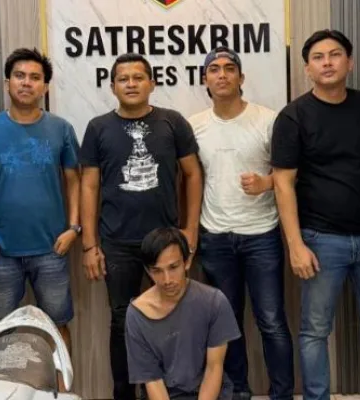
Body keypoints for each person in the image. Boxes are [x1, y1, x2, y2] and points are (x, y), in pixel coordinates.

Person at [270, 30, 360, 399]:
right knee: (315, 331)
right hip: (320, 240)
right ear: (307, 68)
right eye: (318, 57)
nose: (327, 62)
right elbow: (283, 183)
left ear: (350, 62)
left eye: (335, 54)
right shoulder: (293, 117)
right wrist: (295, 245)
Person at [80, 53, 203, 400]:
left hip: (165, 241)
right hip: (117, 242)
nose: (131, 84)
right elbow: (89, 186)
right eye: (123, 79)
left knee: (170, 318)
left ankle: (167, 393)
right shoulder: (98, 127)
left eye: (138, 77)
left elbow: (193, 174)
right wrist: (90, 245)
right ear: (112, 86)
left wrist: (190, 230)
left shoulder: (172, 122)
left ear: (152, 83)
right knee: (122, 321)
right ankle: (123, 393)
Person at [188, 47, 294, 399]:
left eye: (229, 68)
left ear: (241, 77)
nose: (222, 75)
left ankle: (282, 394)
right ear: (205, 80)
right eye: (214, 69)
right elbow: (189, 178)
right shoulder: (195, 125)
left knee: (272, 321)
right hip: (215, 237)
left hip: (261, 235)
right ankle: (238, 393)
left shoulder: (268, 120)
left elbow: (292, 172)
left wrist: (266, 183)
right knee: (226, 323)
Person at [0, 48, 80, 351]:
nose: (26, 82)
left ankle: (62, 382)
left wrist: (74, 228)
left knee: (58, 326)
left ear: (45, 87)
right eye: (19, 76)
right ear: (7, 83)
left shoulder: (61, 129)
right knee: (0, 333)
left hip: (52, 248)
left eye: (34, 77)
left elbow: (74, 180)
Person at [125, 227, 240, 400]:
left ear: (186, 262)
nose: (167, 280)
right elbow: (152, 381)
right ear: (148, 271)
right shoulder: (137, 314)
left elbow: (214, 368)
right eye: (157, 271)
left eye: (173, 267)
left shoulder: (214, 302)